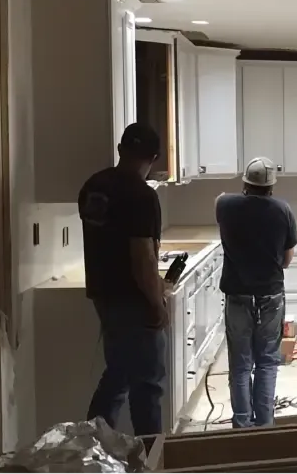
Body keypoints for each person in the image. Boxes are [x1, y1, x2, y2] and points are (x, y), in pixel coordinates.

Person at [79, 122, 167, 436]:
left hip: (103, 294)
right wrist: (157, 304)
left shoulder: (93, 187)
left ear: (120, 149)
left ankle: (93, 445)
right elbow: (142, 256)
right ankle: (151, 457)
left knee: (118, 374)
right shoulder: (141, 195)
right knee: (148, 383)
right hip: (133, 299)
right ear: (153, 158)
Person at [215, 157, 297, 428]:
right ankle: (264, 426)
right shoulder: (283, 210)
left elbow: (222, 198)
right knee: (267, 363)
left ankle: (242, 426)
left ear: (245, 182)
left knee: (240, 365)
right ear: (272, 186)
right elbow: (287, 260)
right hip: (270, 295)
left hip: (238, 295)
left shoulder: (224, 205)